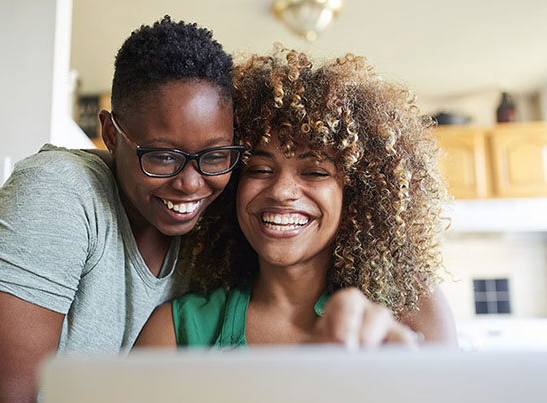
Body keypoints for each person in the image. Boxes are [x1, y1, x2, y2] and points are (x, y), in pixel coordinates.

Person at [0, 16, 242, 403]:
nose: (190, 183)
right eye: (162, 155)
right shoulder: (62, 190)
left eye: (214, 155)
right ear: (111, 131)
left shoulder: (209, 237)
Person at [135, 47, 457, 349]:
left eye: (315, 172)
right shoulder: (175, 332)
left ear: (357, 194)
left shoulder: (412, 309)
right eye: (259, 169)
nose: (280, 190)